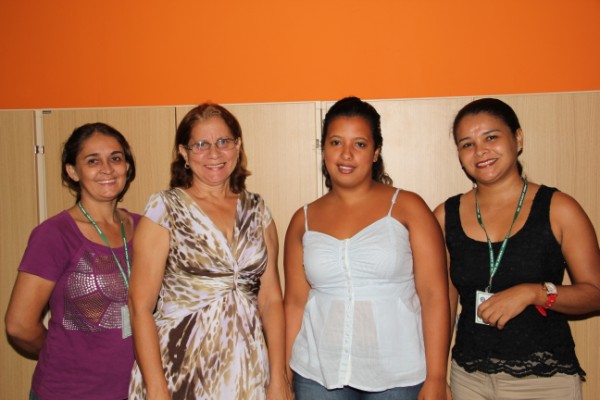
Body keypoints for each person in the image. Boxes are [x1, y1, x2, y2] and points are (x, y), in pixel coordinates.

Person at [284, 96, 451, 400]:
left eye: (359, 144)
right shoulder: (302, 220)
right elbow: (295, 302)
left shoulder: (409, 207)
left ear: (375, 152)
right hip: (317, 373)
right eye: (336, 142)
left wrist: (437, 377)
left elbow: (434, 296)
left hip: (397, 374)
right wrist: (285, 375)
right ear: (324, 150)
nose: (346, 154)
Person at [433, 98, 600, 400]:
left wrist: (534, 293)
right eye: (467, 144)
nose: (480, 151)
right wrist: (435, 374)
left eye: (491, 137)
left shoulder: (559, 208)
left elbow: (595, 292)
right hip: (468, 378)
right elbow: (441, 303)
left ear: (518, 138)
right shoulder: (446, 216)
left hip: (544, 381)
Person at [128, 103, 290, 400]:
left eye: (223, 142)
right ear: (184, 152)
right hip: (180, 367)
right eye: (201, 144)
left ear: (237, 146)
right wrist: (156, 387)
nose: (214, 153)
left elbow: (270, 300)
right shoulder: (165, 208)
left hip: (247, 367)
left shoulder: (258, 210)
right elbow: (139, 306)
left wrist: (278, 377)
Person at [5, 122, 139, 400]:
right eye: (93, 161)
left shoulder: (145, 229)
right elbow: (19, 325)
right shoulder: (54, 234)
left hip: (135, 390)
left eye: (115, 158)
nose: (107, 169)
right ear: (73, 171)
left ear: (127, 166)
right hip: (68, 392)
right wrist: (62, 352)